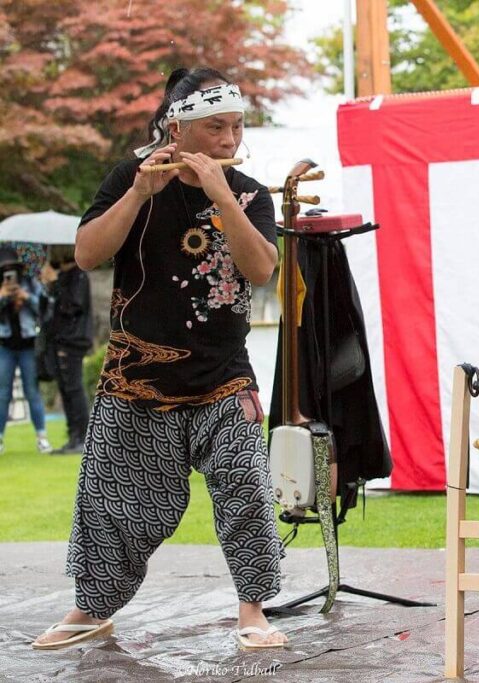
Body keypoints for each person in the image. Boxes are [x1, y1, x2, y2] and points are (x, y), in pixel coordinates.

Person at [32, 67, 286, 650]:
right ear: (178, 128)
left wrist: (222, 196)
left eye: (237, 126)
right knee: (110, 496)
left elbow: (261, 269)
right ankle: (91, 607)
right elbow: (88, 254)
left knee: (244, 482)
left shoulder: (248, 191)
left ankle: (252, 611)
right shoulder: (131, 175)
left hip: (224, 374)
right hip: (135, 374)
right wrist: (139, 193)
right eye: (215, 127)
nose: (229, 139)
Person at [39, 244, 93, 454]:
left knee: (74, 387)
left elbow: (72, 306)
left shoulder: (78, 276)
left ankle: (82, 437)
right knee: (65, 387)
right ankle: (73, 436)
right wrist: (49, 286)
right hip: (58, 339)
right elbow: (47, 311)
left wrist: (55, 285)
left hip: (73, 340)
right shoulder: (64, 277)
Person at [0, 247, 52, 454]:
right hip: (4, 346)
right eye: (5, 269)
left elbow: (45, 309)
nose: (9, 273)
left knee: (33, 393)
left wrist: (26, 297)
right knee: (3, 394)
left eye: (12, 269)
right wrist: (3, 296)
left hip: (28, 346)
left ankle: (42, 437)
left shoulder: (30, 284)